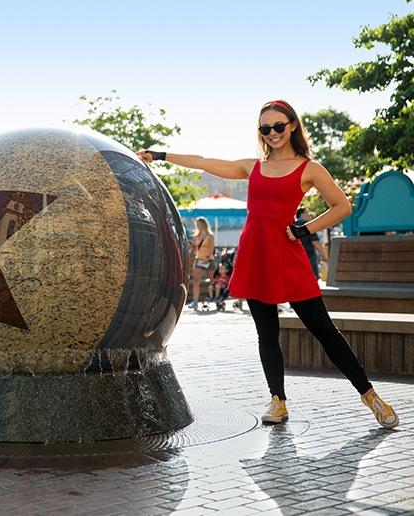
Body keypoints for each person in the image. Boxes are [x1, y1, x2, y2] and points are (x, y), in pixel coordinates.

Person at [137, 99, 399, 429]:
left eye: (278, 126)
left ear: (291, 126)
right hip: (255, 255)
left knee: (325, 331)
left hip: (287, 256)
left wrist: (304, 229)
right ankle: (278, 401)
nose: (272, 133)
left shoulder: (310, 168)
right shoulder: (253, 166)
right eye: (265, 128)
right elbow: (204, 162)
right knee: (267, 334)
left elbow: (342, 207)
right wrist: (159, 155)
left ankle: (371, 396)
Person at [189, 216, 216, 309]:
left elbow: (212, 248)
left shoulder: (210, 235)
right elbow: (194, 252)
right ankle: (195, 301)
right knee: (196, 280)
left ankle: (215, 298)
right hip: (199, 259)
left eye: (199, 225)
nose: (198, 227)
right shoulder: (196, 236)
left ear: (203, 225)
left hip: (209, 259)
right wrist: (193, 246)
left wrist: (207, 257)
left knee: (212, 280)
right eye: (196, 225)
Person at [295, 207, 328, 279]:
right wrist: (323, 255)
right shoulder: (308, 226)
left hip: (295, 257)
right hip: (309, 256)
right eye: (307, 213)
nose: (309, 215)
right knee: (312, 278)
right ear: (302, 214)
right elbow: (316, 242)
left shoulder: (292, 225)